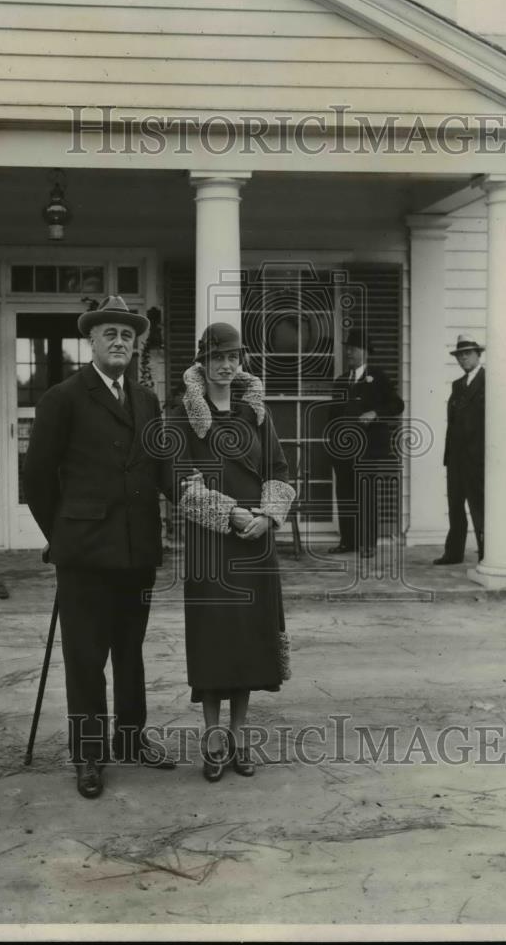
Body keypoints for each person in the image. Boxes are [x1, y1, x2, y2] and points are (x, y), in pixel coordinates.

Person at [23, 295, 175, 800]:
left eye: (128, 335)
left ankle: (131, 740)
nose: (119, 342)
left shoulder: (147, 401)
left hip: (137, 551)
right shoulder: (63, 397)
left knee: (130, 653)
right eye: (109, 333)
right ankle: (89, 755)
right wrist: (61, 535)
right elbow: (38, 480)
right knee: (86, 658)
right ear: (91, 340)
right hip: (84, 554)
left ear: (136, 346)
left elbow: (162, 469)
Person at [165, 323, 295, 782]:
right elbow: (179, 480)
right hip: (211, 543)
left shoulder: (255, 412)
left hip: (256, 542)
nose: (225, 365)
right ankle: (213, 739)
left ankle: (240, 737)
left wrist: (268, 516)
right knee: (215, 638)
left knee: (248, 641)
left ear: (242, 362)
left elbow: (278, 468)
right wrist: (232, 514)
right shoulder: (183, 415)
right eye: (216, 357)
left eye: (233, 357)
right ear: (201, 361)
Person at [326, 329, 404, 558]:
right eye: (348, 348)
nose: (349, 352)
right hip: (342, 450)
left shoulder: (377, 377)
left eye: (355, 348)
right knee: (345, 494)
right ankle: (348, 541)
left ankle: (368, 543)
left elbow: (397, 405)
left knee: (366, 495)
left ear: (365, 352)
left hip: (367, 449)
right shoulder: (341, 381)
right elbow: (332, 416)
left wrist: (375, 413)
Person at [433, 335, 485, 565]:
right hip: (455, 458)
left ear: (478, 355)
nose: (463, 358)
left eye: (468, 353)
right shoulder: (457, 385)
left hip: (476, 458)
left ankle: (487, 553)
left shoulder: (489, 381)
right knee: (455, 506)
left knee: (479, 507)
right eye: (460, 355)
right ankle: (453, 553)